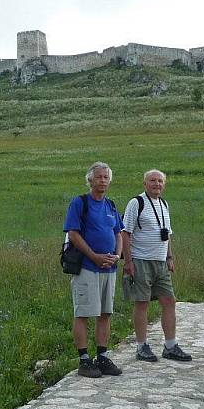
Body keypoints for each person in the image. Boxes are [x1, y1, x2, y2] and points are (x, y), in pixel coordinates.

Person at [121, 169, 192, 362]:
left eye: (160, 181)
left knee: (169, 301)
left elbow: (167, 233)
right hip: (140, 260)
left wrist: (170, 256)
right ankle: (141, 346)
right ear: (145, 184)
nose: (157, 184)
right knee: (142, 303)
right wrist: (128, 262)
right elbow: (125, 232)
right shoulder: (137, 203)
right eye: (152, 181)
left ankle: (170, 346)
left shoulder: (164, 204)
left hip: (161, 262)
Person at [63, 162, 124, 378]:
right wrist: (94, 257)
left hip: (109, 268)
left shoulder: (111, 205)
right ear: (90, 180)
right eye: (99, 177)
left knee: (105, 313)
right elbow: (73, 234)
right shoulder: (80, 203)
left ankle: (102, 356)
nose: (103, 181)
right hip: (87, 267)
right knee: (84, 312)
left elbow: (118, 233)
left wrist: (117, 256)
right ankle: (84, 360)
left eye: (106, 177)